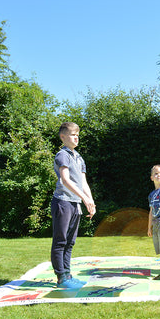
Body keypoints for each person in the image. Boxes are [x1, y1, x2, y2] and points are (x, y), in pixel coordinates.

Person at [51, 122, 95, 289]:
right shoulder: (63, 155)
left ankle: (68, 274)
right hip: (63, 201)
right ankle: (61, 277)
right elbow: (65, 179)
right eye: (72, 135)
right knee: (60, 240)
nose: (76, 138)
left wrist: (90, 201)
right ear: (63, 137)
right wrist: (84, 198)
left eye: (77, 135)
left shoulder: (78, 157)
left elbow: (83, 182)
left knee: (70, 241)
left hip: (75, 203)